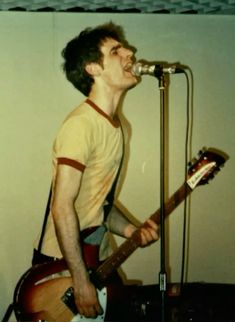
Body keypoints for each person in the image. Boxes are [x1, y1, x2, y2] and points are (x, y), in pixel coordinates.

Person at [33, 21, 159, 319]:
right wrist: (79, 281)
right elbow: (62, 206)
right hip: (63, 267)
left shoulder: (117, 128)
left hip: (95, 257)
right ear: (93, 68)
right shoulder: (81, 125)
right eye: (116, 50)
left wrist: (131, 230)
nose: (130, 52)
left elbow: (98, 204)